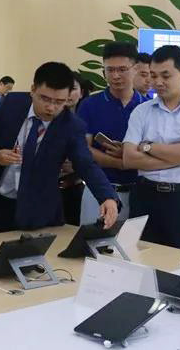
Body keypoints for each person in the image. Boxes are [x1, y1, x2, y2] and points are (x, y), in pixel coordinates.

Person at [0, 62, 119, 233]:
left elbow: (86, 164)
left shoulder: (72, 126)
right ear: (33, 90)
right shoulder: (12, 104)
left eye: (59, 102)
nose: (51, 108)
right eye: (45, 99)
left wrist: (108, 197)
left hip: (38, 211)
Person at [123, 45, 180, 253]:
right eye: (153, 75)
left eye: (166, 75)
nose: (157, 82)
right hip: (145, 197)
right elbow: (129, 159)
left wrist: (148, 146)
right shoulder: (141, 111)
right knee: (141, 261)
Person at [77, 42, 149, 224]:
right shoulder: (89, 105)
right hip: (98, 193)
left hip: (140, 194)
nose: (116, 76)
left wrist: (129, 156)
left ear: (135, 69)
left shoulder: (149, 107)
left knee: (134, 242)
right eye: (110, 70)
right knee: (93, 241)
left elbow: (156, 148)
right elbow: (84, 149)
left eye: (122, 69)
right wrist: (121, 163)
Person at [59, 72, 89, 225]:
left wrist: (76, 168)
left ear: (81, 93)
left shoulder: (86, 121)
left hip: (76, 184)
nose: (68, 93)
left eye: (73, 89)